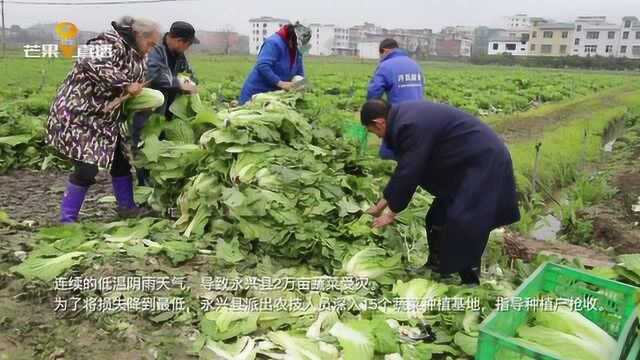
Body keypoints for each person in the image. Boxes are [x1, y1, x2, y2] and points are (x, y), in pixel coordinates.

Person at [361, 99, 520, 285]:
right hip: (463, 165)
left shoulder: (409, 125)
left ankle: (470, 281)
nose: (379, 138)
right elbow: (404, 169)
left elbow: (411, 170)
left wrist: (391, 212)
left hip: (485, 161)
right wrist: (381, 205)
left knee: (464, 221)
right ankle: (437, 266)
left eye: (375, 132)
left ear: (379, 122)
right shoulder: (403, 118)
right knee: (436, 217)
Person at [46, 17, 162, 223]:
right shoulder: (108, 42)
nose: (150, 49)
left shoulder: (138, 55)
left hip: (105, 118)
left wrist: (140, 101)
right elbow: (89, 60)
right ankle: (67, 218)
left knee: (120, 161)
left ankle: (127, 208)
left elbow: (136, 85)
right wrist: (125, 84)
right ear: (138, 35)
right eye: (150, 44)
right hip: (78, 114)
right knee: (86, 168)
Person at [132, 21, 199, 185]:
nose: (187, 49)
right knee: (145, 148)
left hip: (167, 111)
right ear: (179, 41)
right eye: (188, 44)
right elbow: (154, 75)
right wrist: (179, 84)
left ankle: (156, 185)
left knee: (161, 149)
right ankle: (144, 187)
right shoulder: (155, 50)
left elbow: (189, 73)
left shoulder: (179, 56)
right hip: (149, 110)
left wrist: (192, 83)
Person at [367, 38, 425, 160]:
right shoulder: (414, 64)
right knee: (412, 149)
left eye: (380, 54)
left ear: (385, 51)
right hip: (420, 113)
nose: (380, 58)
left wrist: (369, 112)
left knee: (388, 152)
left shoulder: (385, 66)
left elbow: (374, 92)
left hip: (399, 115)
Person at [239, 22, 311, 104]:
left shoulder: (296, 49)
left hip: (275, 96)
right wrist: (280, 83)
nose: (297, 48)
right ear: (292, 38)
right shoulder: (273, 43)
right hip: (257, 93)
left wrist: (301, 85)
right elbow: (263, 65)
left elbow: (299, 71)